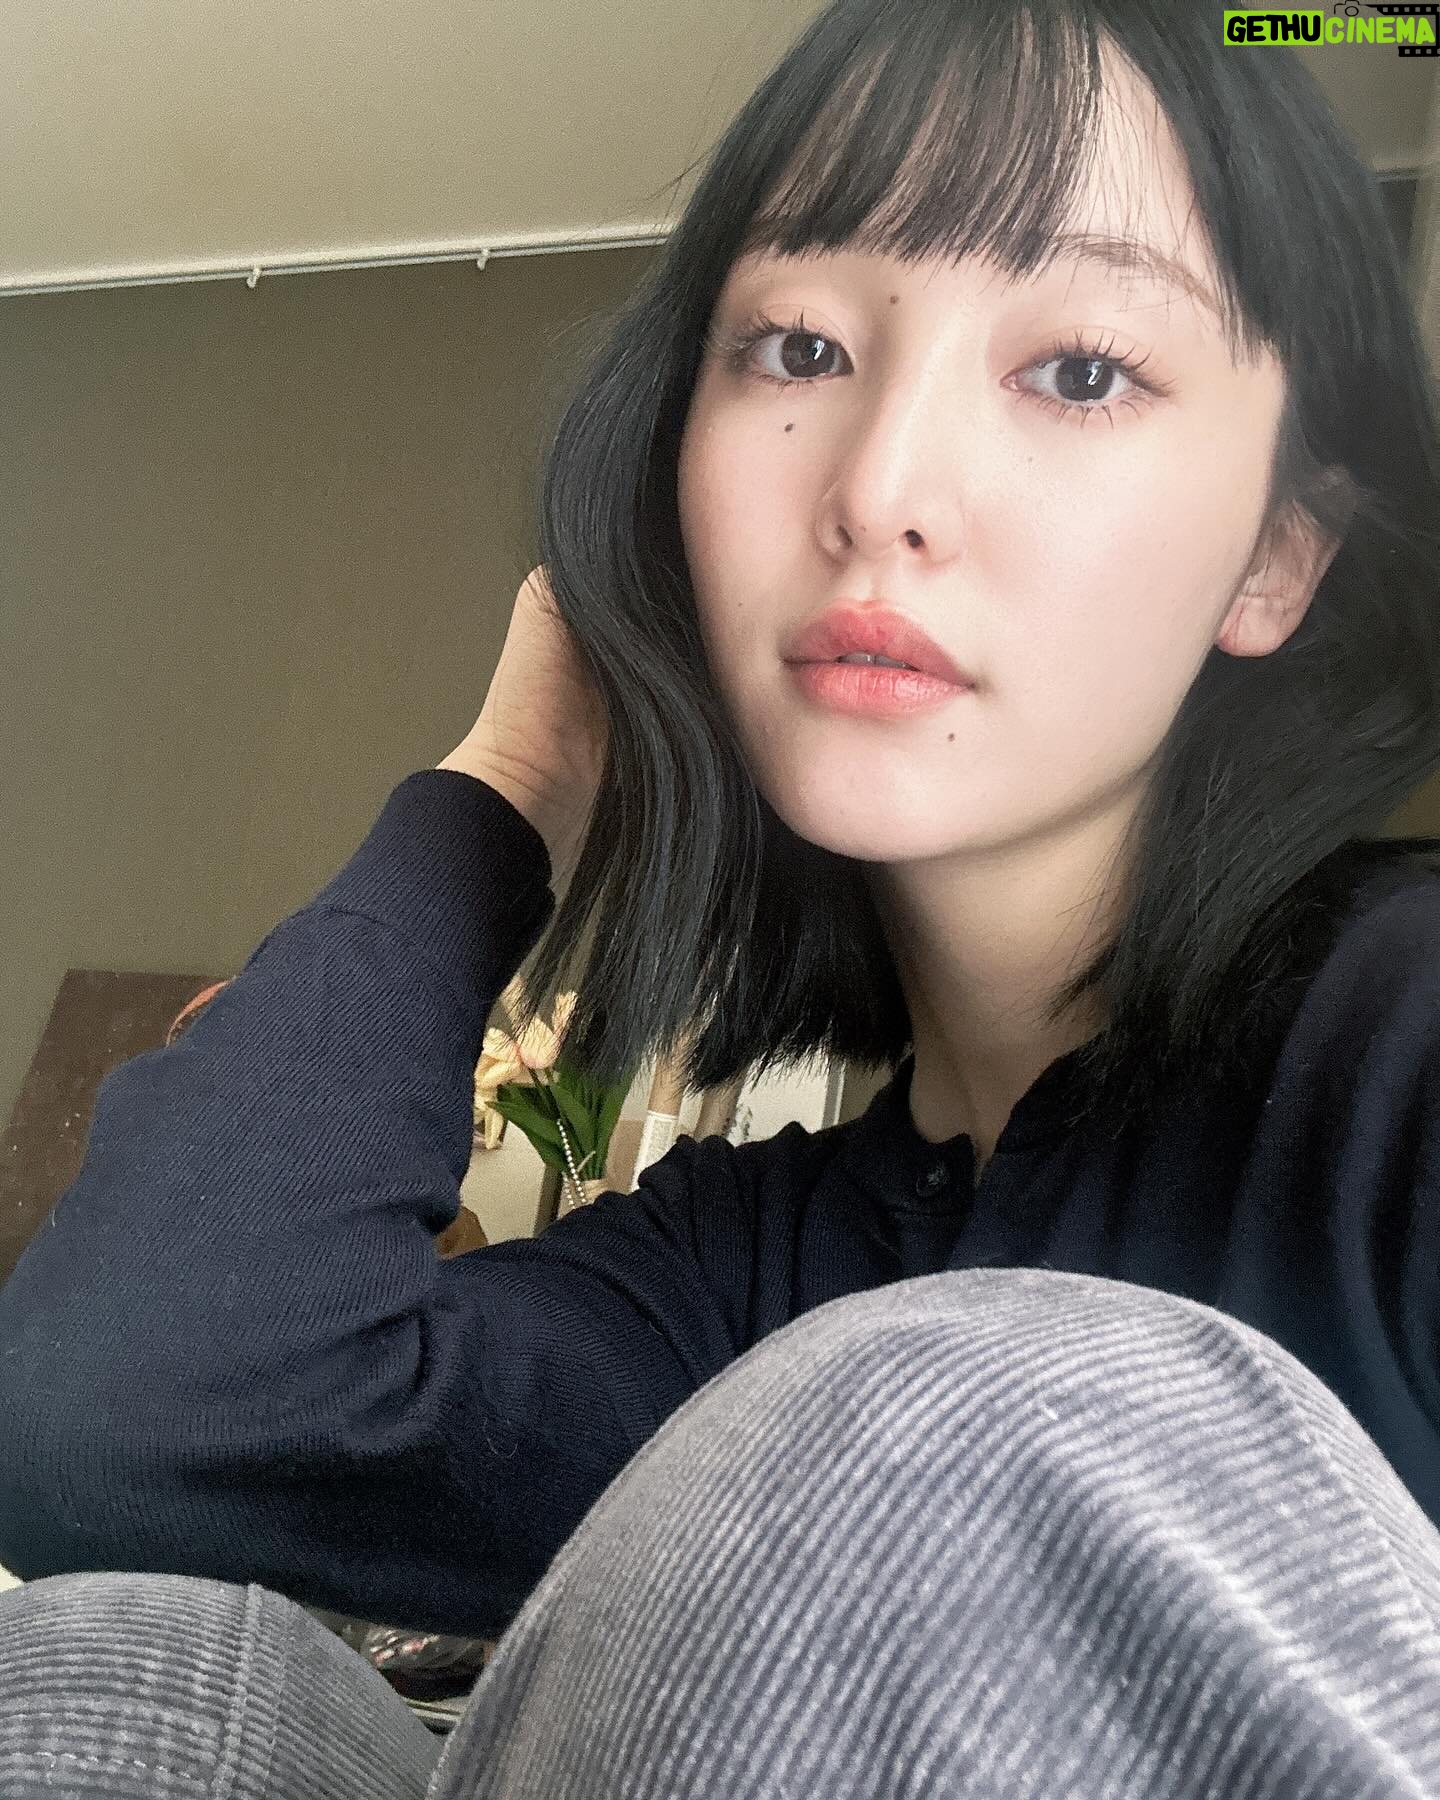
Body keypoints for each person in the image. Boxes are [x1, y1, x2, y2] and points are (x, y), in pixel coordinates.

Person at [2, 0, 1440, 1793]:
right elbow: (131, 1405)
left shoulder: (1399, 1050)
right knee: (117, 1676)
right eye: (798, 346)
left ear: (1279, 557)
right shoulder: (744, 1267)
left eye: (1081, 371)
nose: (880, 489)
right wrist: (521, 763)